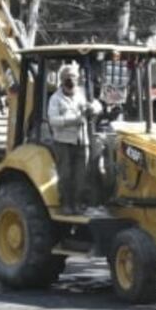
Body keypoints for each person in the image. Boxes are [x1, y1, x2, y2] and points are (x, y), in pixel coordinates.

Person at [48, 64, 101, 214]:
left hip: (82, 140)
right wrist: (73, 120)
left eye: (74, 79)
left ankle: (78, 203)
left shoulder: (82, 94)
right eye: (68, 80)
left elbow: (96, 104)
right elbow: (53, 120)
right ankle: (66, 203)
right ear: (62, 81)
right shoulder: (55, 99)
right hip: (63, 142)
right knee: (65, 174)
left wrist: (94, 108)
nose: (71, 83)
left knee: (81, 174)